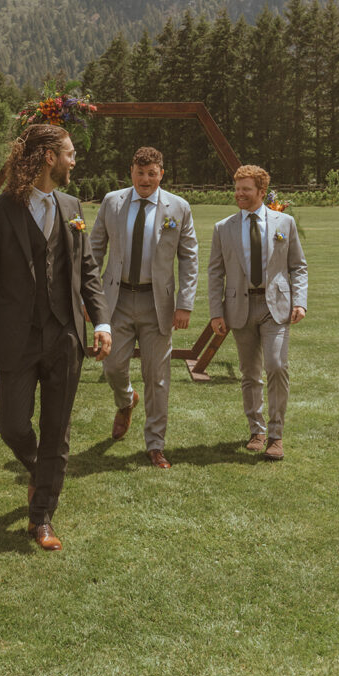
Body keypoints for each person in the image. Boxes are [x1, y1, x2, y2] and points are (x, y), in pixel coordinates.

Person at [0, 124, 111, 551]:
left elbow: (87, 272)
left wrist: (101, 322)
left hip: (66, 336)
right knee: (10, 423)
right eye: (68, 153)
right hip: (14, 338)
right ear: (49, 156)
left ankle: (42, 516)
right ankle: (40, 471)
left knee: (57, 429)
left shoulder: (72, 206)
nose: (73, 160)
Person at [90, 146, 198, 468]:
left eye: (152, 174)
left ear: (161, 173)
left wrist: (185, 304)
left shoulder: (178, 208)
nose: (146, 180)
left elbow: (189, 259)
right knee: (111, 366)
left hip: (157, 304)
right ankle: (126, 401)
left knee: (157, 376)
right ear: (131, 172)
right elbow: (94, 249)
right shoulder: (112, 202)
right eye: (140, 173)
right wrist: (91, 299)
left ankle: (155, 445)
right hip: (117, 300)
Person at [208, 164, 307, 460]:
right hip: (239, 307)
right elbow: (215, 273)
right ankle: (257, 430)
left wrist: (299, 301)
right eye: (237, 189)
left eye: (246, 189)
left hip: (274, 306)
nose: (239, 194)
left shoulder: (284, 223)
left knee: (276, 365)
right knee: (249, 372)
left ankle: (276, 436)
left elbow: (298, 266)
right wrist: (216, 312)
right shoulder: (223, 228)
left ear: (261, 192)